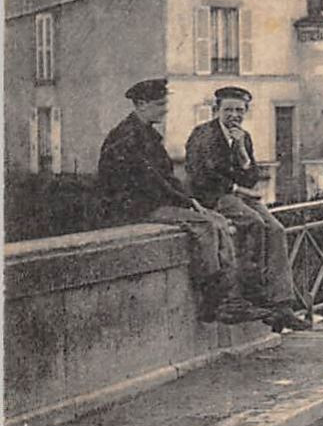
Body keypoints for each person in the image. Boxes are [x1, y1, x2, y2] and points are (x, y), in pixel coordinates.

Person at [98, 79, 267, 325]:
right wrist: (189, 204)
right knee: (206, 225)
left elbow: (164, 178)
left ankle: (228, 299)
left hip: (148, 201)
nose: (165, 109)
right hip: (134, 207)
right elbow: (153, 182)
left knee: (218, 221)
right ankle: (214, 298)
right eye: (159, 104)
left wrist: (188, 201)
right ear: (141, 105)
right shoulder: (128, 137)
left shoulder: (144, 134)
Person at [186, 87, 310, 332]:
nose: (234, 115)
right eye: (228, 110)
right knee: (253, 222)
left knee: (276, 229)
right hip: (214, 196)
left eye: (239, 110)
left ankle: (283, 304)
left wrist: (242, 151)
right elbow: (201, 176)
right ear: (217, 110)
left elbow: (251, 176)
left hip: (239, 195)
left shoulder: (244, 136)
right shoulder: (203, 135)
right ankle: (253, 292)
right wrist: (239, 190)